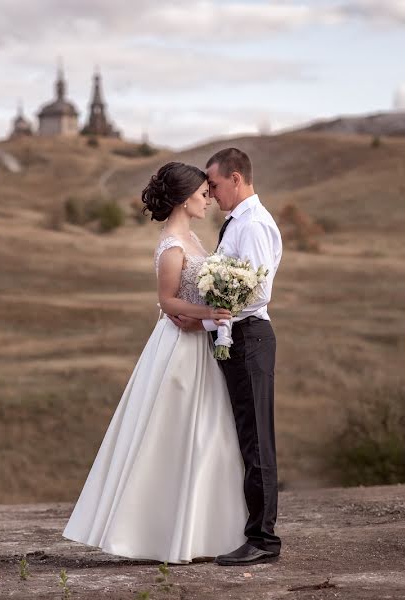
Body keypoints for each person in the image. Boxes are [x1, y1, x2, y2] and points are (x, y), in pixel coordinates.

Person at [62, 162, 247, 564]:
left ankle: (202, 532)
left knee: (207, 435)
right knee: (173, 435)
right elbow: (167, 301)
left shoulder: (192, 237)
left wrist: (214, 311)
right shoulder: (173, 244)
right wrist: (210, 315)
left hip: (199, 344)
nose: (208, 198)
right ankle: (157, 532)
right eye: (202, 193)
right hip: (178, 349)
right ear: (184, 199)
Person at [168, 147, 284, 566]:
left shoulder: (251, 225)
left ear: (236, 179)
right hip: (236, 337)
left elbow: (256, 293)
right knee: (246, 438)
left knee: (257, 442)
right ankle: (249, 532)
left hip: (249, 337)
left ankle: (263, 540)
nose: (211, 193)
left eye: (214, 184)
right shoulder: (240, 221)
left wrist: (203, 322)